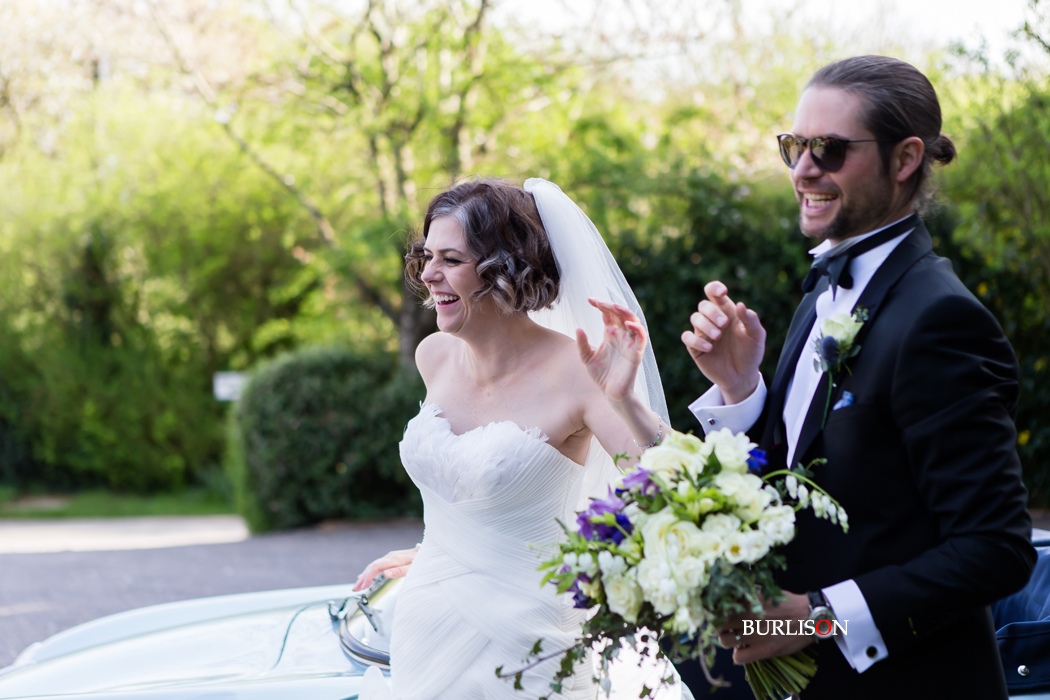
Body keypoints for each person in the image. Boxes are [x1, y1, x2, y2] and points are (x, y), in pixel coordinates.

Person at [678, 55, 1036, 699]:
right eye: (795, 147)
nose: (804, 169)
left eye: (831, 149)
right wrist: (739, 388)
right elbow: (812, 478)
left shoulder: (941, 318)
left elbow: (995, 547)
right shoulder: (824, 289)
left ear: (905, 160)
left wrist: (817, 617)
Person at [353, 178, 683, 700]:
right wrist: (444, 553)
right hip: (425, 632)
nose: (429, 275)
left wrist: (624, 399)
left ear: (505, 271)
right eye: (426, 257)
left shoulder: (580, 371)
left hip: (532, 646)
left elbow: (669, 488)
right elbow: (470, 500)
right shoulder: (432, 357)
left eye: (451, 260)